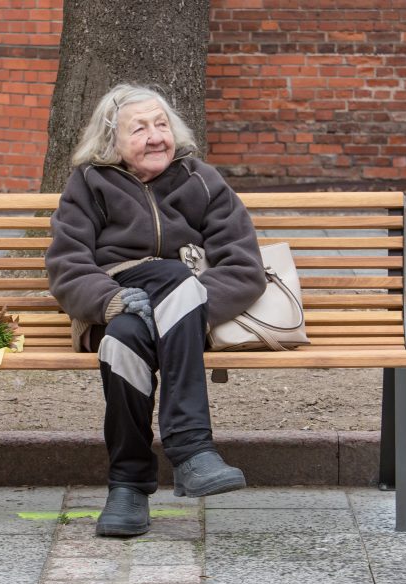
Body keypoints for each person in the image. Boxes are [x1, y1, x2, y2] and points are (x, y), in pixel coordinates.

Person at [45, 84, 268, 537]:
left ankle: (126, 484)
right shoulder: (88, 183)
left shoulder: (201, 179)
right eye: (140, 128)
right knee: (140, 310)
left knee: (125, 340)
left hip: (183, 308)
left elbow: (244, 268)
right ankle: (190, 451)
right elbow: (67, 265)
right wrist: (109, 301)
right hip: (117, 295)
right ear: (112, 141)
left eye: (161, 124)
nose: (155, 137)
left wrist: (183, 311)